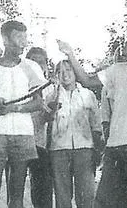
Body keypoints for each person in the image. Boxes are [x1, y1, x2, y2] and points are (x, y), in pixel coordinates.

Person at [58, 24, 127, 208]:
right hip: (116, 144)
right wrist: (70, 54)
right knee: (109, 201)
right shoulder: (116, 69)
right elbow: (86, 80)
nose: (125, 42)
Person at [0, 20, 46, 208]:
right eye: (18, 37)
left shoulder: (32, 67)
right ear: (5, 39)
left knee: (16, 195)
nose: (23, 42)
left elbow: (38, 102)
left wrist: (13, 108)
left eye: (25, 37)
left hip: (23, 134)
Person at [47, 60, 103, 208]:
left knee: (86, 195)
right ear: (56, 75)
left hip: (84, 149)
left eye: (68, 70)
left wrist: (97, 150)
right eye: (60, 72)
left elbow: (96, 124)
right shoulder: (52, 96)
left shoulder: (87, 95)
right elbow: (46, 123)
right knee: (62, 196)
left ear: (75, 72)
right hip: (59, 150)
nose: (65, 74)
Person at [25, 47, 54, 208]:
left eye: (40, 62)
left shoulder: (50, 87)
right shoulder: (19, 84)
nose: (36, 65)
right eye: (32, 62)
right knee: (15, 186)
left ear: (46, 65)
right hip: (20, 140)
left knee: (42, 186)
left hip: (41, 144)